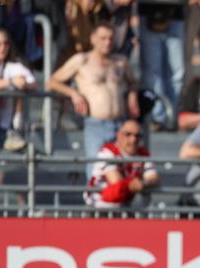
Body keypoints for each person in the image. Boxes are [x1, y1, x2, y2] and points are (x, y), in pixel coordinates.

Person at [49, 22, 140, 178]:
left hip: (120, 123)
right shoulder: (82, 60)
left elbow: (133, 82)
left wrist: (132, 96)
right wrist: (73, 93)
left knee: (123, 172)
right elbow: (52, 82)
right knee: (96, 171)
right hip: (96, 124)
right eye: (103, 38)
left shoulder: (120, 62)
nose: (107, 42)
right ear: (93, 39)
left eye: (110, 38)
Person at [0, 27, 36, 186]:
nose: (2, 48)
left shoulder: (14, 66)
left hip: (1, 126)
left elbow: (32, 83)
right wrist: (10, 82)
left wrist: (23, 84)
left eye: (5, 44)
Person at [85, 119, 158, 208]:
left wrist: (143, 183)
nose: (133, 139)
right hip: (101, 205)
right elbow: (116, 182)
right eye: (128, 134)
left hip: (126, 203)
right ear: (119, 135)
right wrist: (135, 183)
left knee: (144, 196)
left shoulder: (143, 154)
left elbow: (154, 178)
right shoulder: (107, 151)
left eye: (138, 136)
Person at [138, 0, 185, 131]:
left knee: (177, 72)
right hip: (148, 12)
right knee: (152, 72)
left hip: (175, 14)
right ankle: (157, 116)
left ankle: (172, 117)